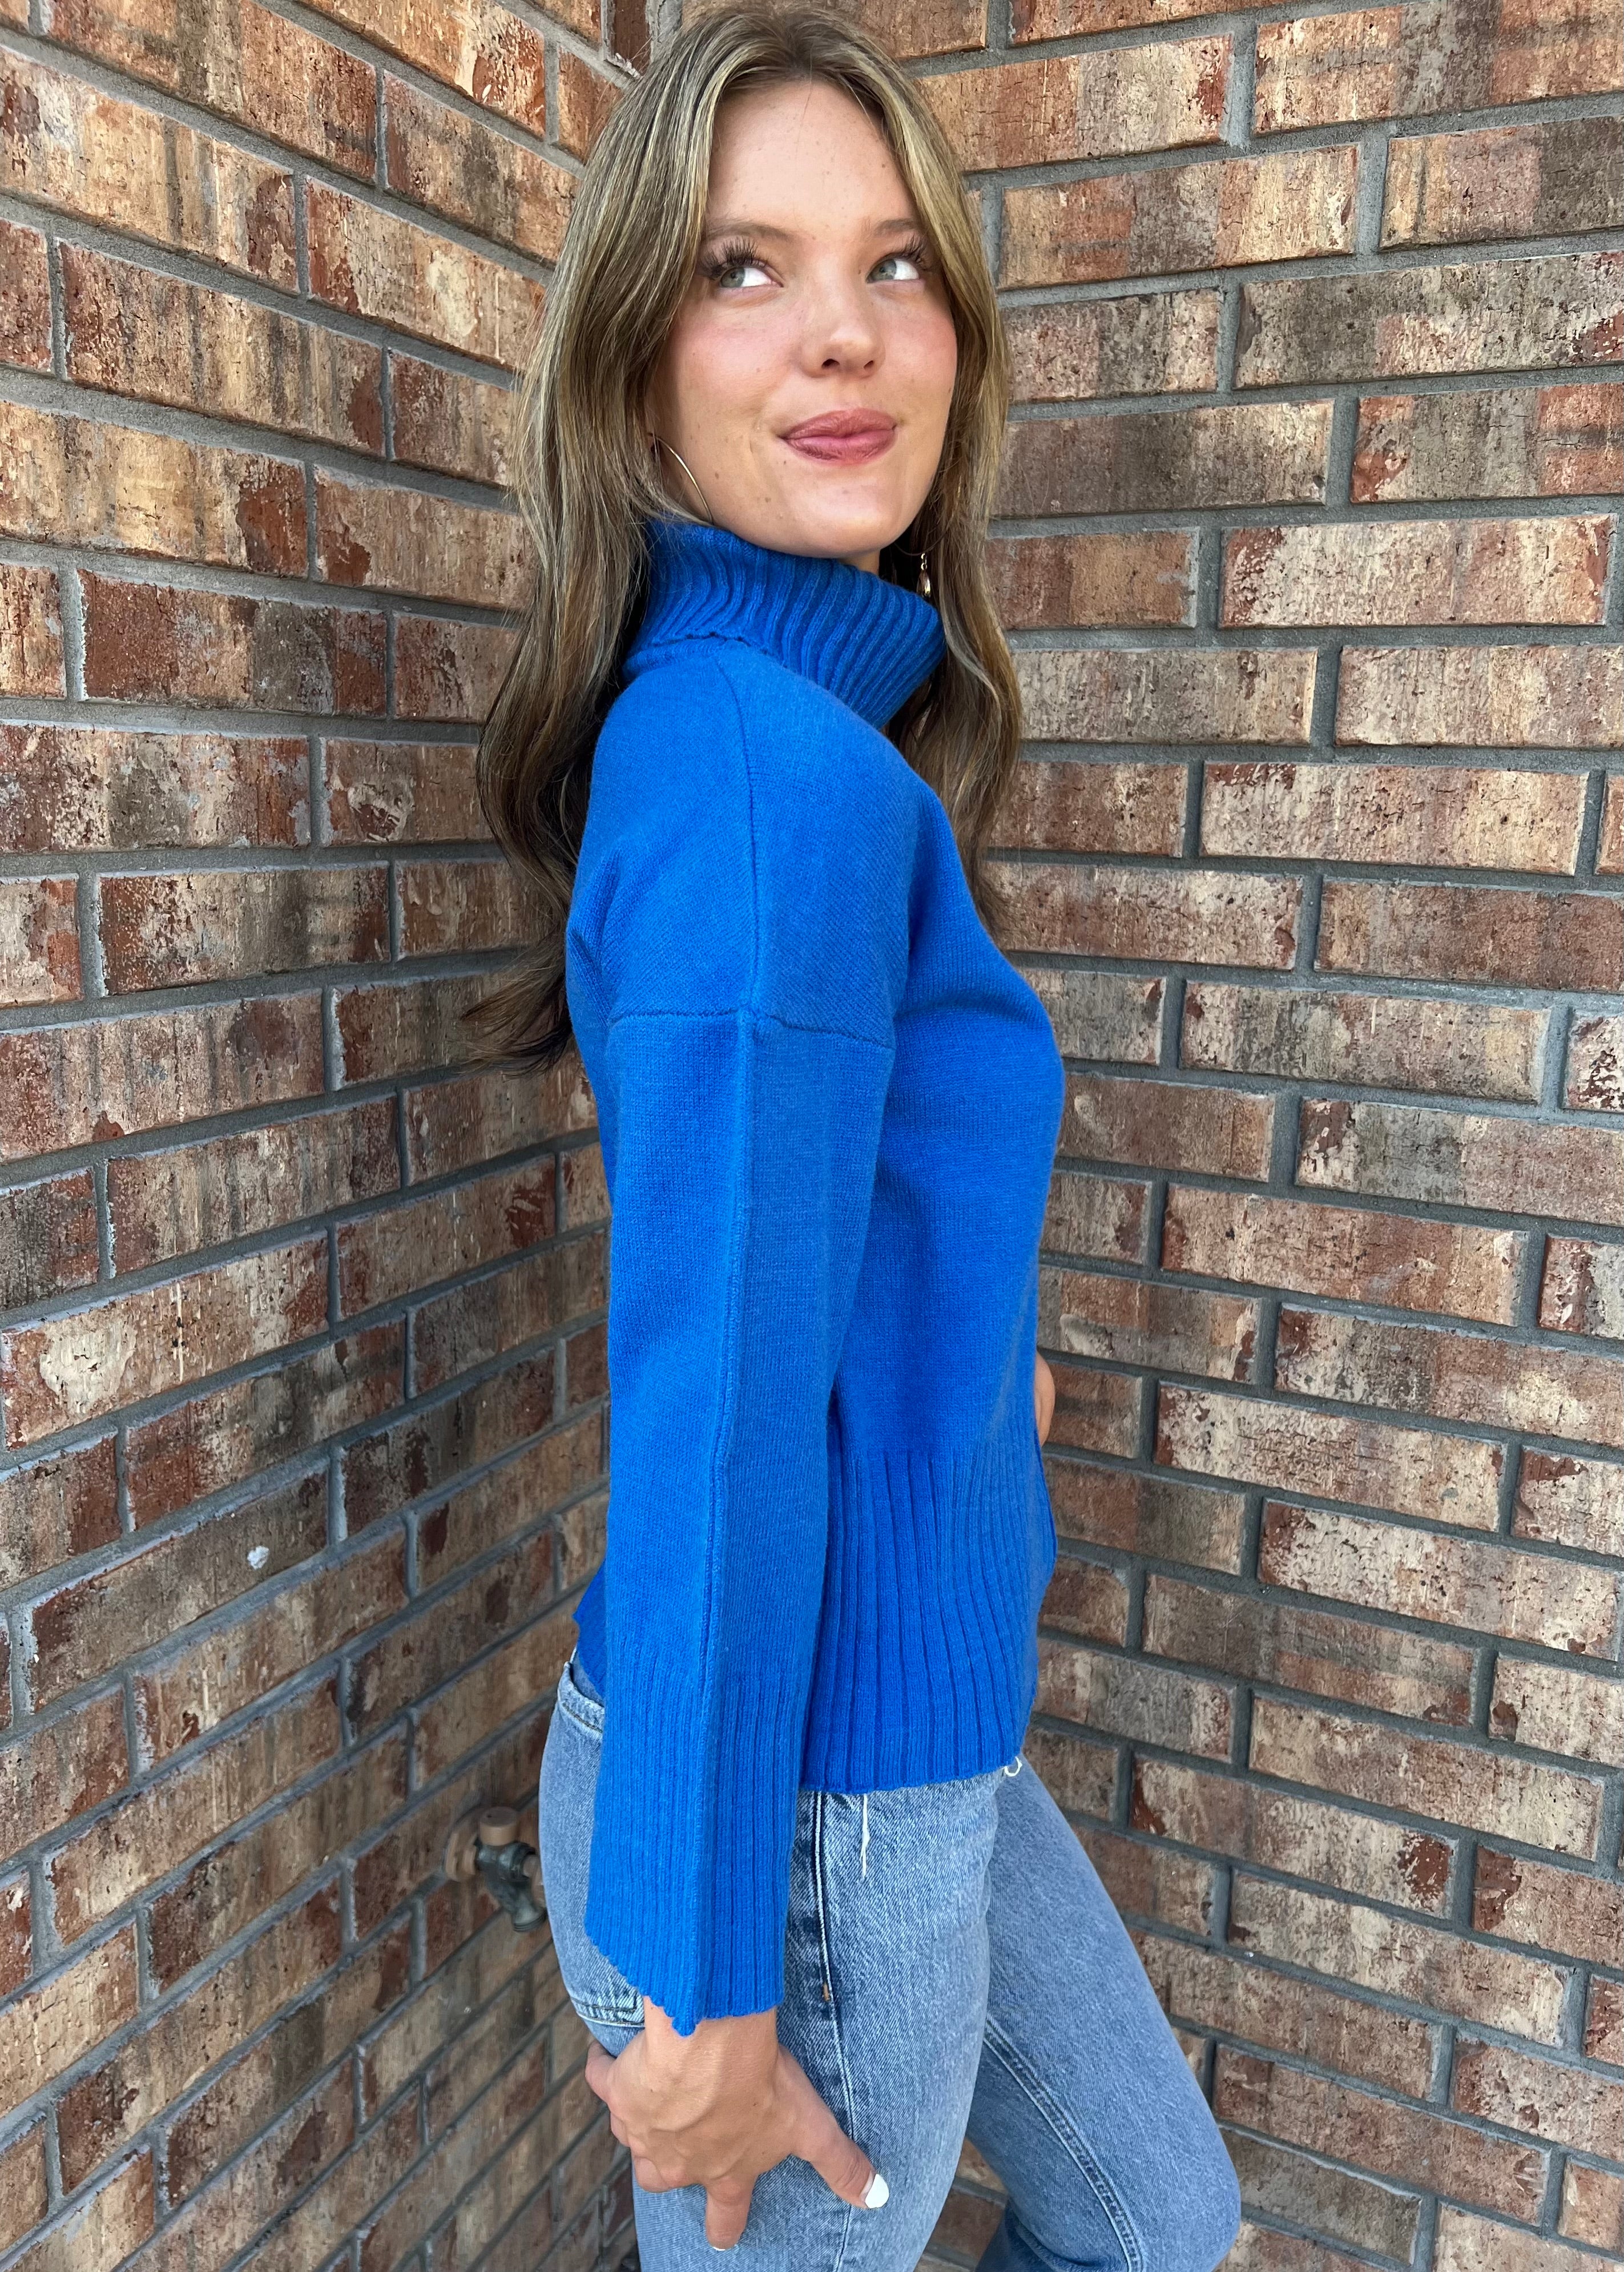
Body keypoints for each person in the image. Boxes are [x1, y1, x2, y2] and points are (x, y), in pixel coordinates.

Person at [478, 8, 1244, 2266]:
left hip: (912, 1723)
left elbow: (827, 1252)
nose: (843, 332)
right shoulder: (762, 778)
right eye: (745, 268)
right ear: (637, 375)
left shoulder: (797, 746)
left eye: (896, 265)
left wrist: (972, 1380)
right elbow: (710, 1405)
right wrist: (705, 1973)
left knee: (1157, 2217)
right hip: (803, 1818)